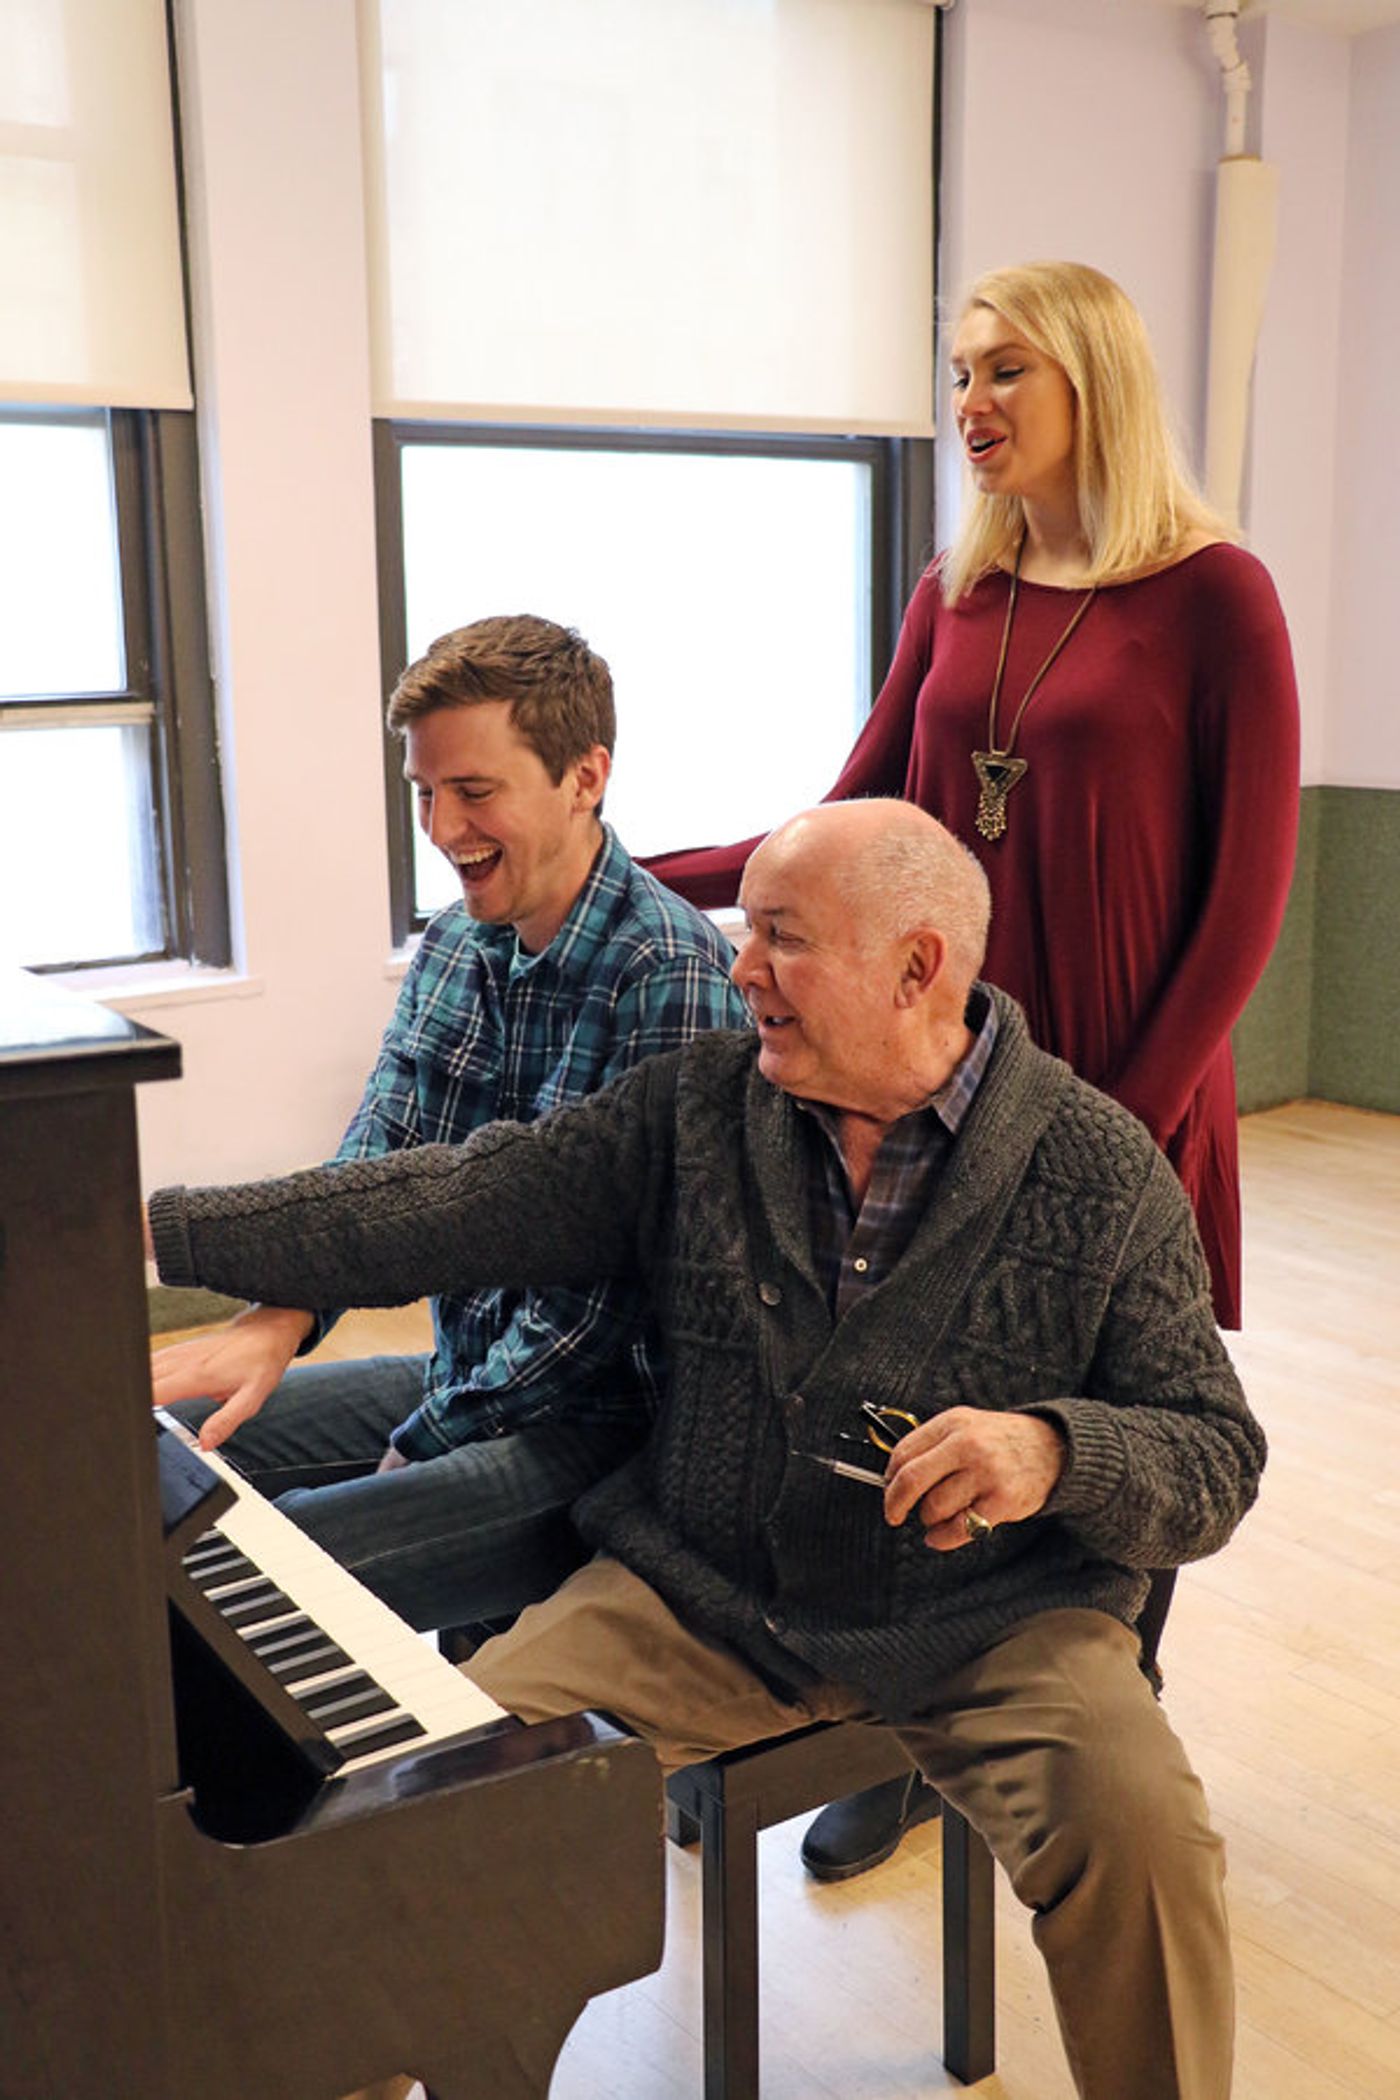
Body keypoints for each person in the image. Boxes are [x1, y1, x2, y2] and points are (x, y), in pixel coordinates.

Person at [149, 799, 1264, 2100]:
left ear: (917, 969)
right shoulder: (698, 1113)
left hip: (997, 1623)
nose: (737, 970)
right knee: (423, 1823)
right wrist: (150, 1232)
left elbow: (1211, 1452)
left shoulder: (1100, 1172)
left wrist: (1055, 1452)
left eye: (781, 940)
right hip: (704, 1594)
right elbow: (446, 1202)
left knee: (1146, 1844)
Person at [648, 258, 1299, 1877]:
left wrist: (1117, 1141)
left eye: (1007, 372)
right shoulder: (957, 596)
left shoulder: (1218, 595)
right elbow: (855, 810)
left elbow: (1244, 907)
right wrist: (636, 871)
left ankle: (1099, 1717)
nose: (970, 405)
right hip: (950, 1081)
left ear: (1096, 383)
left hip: (1128, 1087)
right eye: (958, 373)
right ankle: (915, 1733)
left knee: (1108, 1411)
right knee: (909, 1398)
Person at [152, 613, 747, 1632]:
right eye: (425, 793)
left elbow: (595, 1311)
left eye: (474, 792)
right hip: (472, 1378)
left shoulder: (669, 973)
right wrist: (278, 1320)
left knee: (252, 1585)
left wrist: (427, 1438)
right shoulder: (457, 944)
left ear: (583, 776)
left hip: (610, 1429)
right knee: (153, 1461)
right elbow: (382, 1155)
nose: (440, 828)